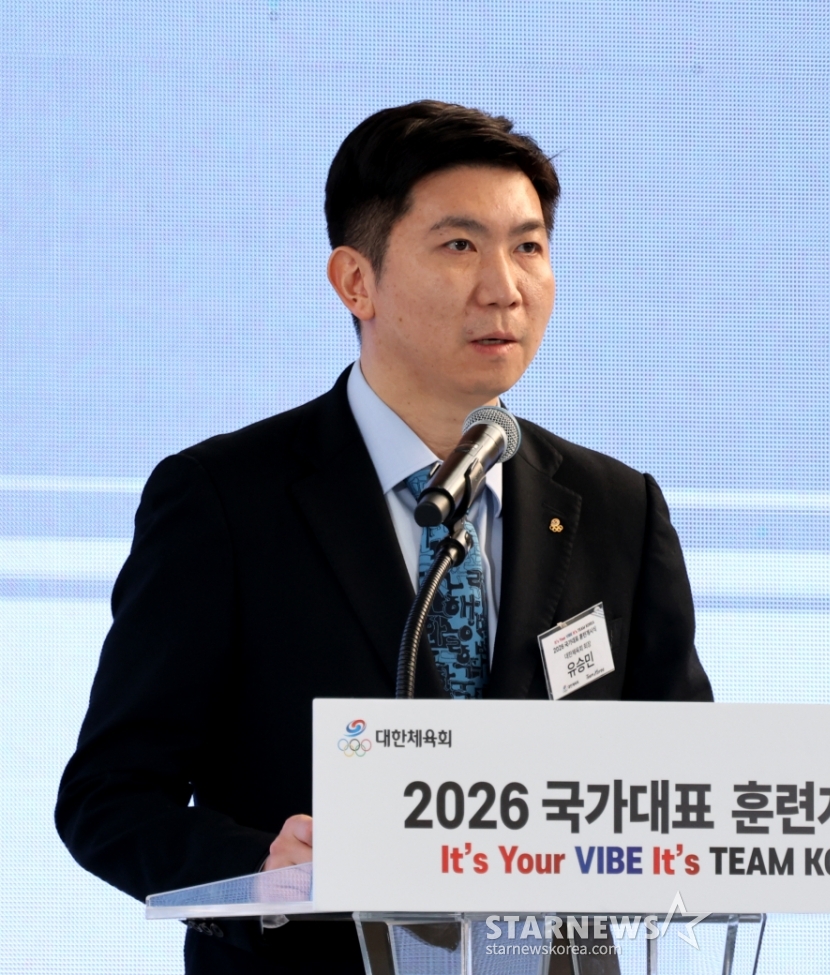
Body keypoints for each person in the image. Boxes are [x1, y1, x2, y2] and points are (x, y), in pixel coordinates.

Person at [56, 101, 712, 974]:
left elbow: (686, 786)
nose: (504, 287)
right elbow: (109, 797)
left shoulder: (616, 505)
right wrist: (260, 869)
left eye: (528, 247)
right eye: (460, 245)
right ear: (354, 282)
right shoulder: (225, 500)